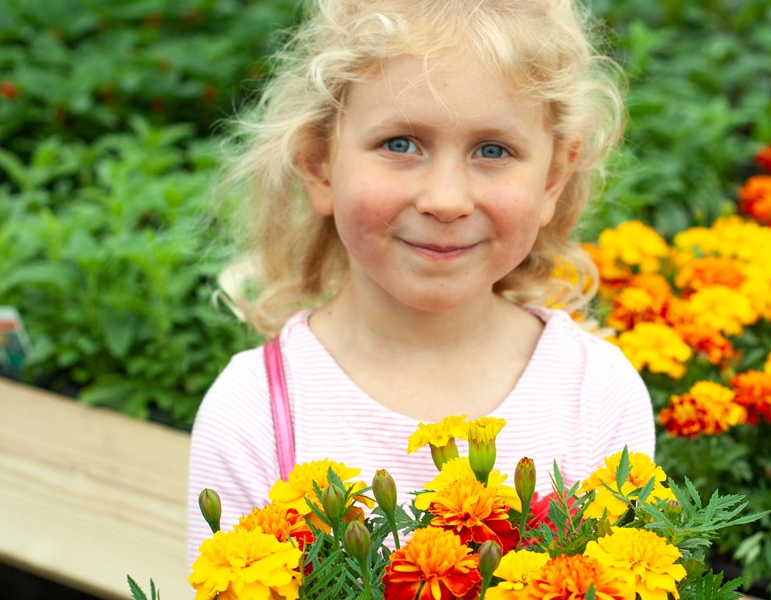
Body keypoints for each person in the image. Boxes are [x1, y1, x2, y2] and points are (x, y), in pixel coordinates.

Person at [186, 0, 654, 561]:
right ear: (318, 164)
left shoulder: (597, 394)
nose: (446, 200)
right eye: (400, 144)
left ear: (554, 176)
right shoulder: (255, 410)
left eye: (493, 150)